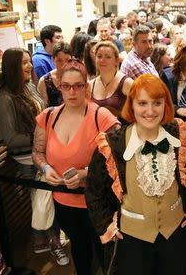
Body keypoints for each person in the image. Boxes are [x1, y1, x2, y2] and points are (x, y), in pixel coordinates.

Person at [85, 74, 186, 275]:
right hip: (132, 239)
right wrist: (107, 226)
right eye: (142, 103)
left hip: (175, 234)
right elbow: (94, 192)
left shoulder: (177, 134)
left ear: (165, 105)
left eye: (157, 103)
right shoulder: (113, 143)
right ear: (131, 105)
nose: (150, 111)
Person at [32, 59, 120, 274]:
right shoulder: (49, 116)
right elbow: (37, 152)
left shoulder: (102, 116)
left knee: (105, 251)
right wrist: (45, 169)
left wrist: (86, 173)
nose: (72, 92)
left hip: (97, 203)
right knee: (79, 248)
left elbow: (119, 156)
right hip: (63, 200)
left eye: (78, 85)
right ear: (59, 86)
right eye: (66, 86)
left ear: (86, 87)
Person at [0, 47, 69, 265]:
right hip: (28, 158)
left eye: (29, 62)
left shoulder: (28, 86)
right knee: (43, 201)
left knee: (45, 201)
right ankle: (52, 242)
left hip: (43, 151)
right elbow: (11, 139)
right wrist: (39, 137)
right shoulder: (4, 98)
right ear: (12, 67)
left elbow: (43, 113)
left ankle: (41, 241)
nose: (30, 66)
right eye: (24, 63)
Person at [89, 41, 133, 117]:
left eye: (108, 57)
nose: (102, 60)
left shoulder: (127, 82)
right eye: (99, 56)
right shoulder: (90, 84)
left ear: (116, 61)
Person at [37, 42, 71, 107]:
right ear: (53, 59)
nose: (64, 64)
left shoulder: (77, 77)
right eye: (59, 60)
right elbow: (43, 109)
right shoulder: (44, 81)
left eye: (68, 60)